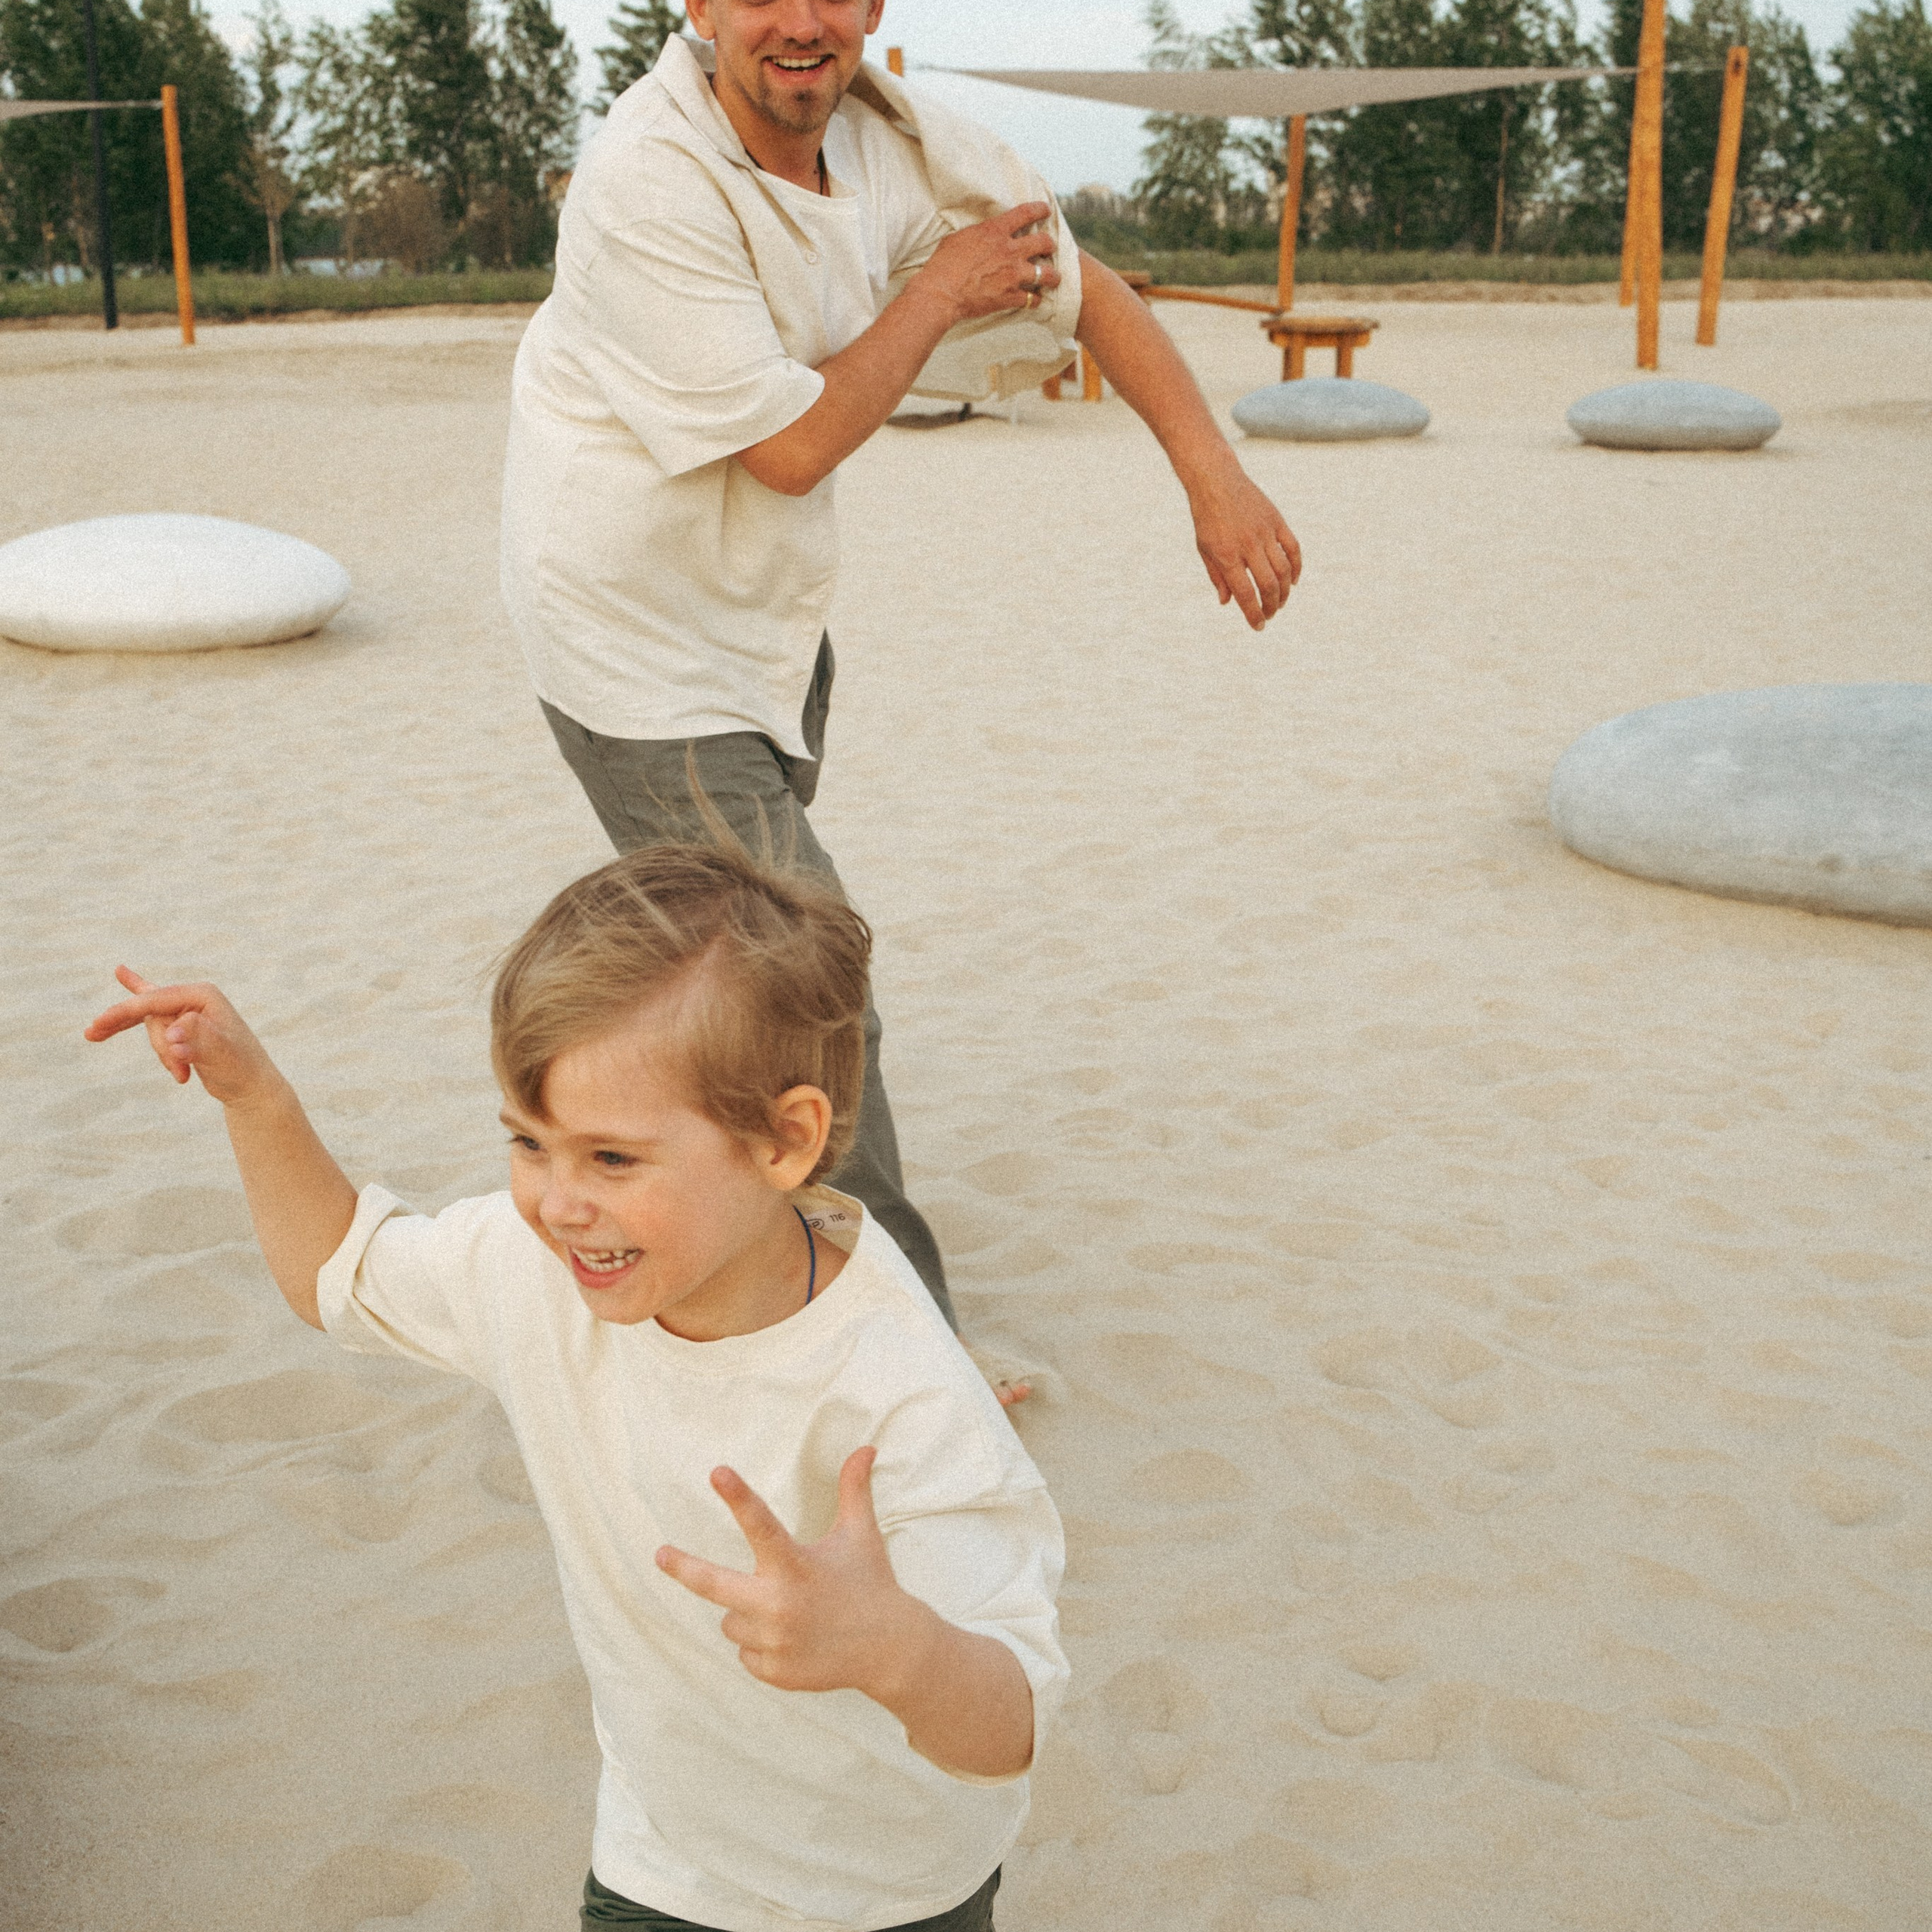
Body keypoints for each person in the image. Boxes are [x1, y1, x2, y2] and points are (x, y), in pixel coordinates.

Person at [500, 0, 1303, 1344]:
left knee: (733, 973)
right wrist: (936, 295)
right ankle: (895, 1341)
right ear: (700, 7)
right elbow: (792, 451)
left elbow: (1083, 285)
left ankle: (683, 1230)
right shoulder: (647, 179)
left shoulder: (902, 142)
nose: (802, 23)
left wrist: (1216, 482)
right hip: (630, 639)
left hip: (763, 628)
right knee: (810, 985)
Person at [85, 839, 1067, 1932]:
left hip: (888, 1891)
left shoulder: (902, 1395)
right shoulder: (536, 1270)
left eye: (611, 1159)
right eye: (528, 1141)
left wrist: (897, 1649)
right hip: (665, 1862)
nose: (557, 1202)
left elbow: (1010, 1728)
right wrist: (255, 1098)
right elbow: (335, 1274)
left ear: (786, 1142)